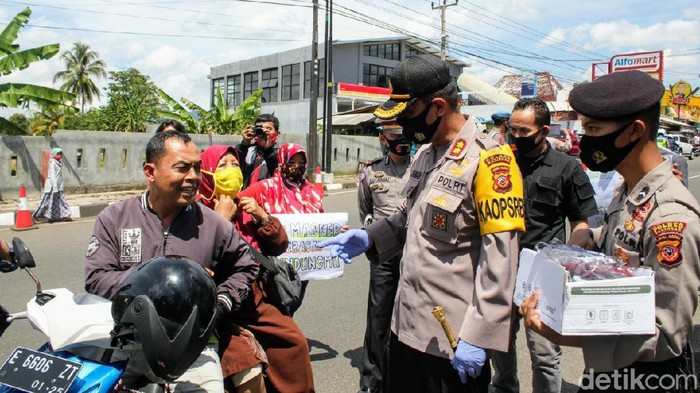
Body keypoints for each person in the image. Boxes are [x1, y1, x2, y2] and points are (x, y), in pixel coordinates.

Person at [319, 55, 525, 392]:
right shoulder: (426, 154)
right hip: (407, 328)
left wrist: (479, 334)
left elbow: (500, 261)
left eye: (407, 112)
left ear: (438, 107)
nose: (401, 122)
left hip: (452, 341)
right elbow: (409, 218)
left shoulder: (490, 161)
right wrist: (370, 237)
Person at [521, 70, 700, 393]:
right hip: (609, 372)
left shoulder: (669, 217)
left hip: (649, 378)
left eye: (593, 129)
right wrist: (585, 246)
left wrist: (564, 335)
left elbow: (666, 335)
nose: (585, 140)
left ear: (634, 131)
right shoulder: (629, 191)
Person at [84, 130, 259, 392]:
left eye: (197, 168)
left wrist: (220, 301)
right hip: (127, 344)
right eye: (182, 168)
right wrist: (157, 280)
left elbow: (246, 266)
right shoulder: (115, 218)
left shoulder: (213, 224)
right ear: (150, 172)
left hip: (193, 351)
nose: (193, 177)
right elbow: (96, 277)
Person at [490, 98, 598, 393]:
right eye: (512, 130)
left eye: (524, 132)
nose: (516, 137)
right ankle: (504, 388)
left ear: (544, 130)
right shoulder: (500, 163)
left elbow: (581, 223)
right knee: (499, 345)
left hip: (542, 276)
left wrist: (568, 258)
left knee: (545, 355)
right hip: (501, 269)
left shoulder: (567, 168)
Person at [199, 145, 315, 393]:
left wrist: (262, 216)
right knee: (243, 368)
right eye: (222, 166)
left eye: (234, 165)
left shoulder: (246, 204)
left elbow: (279, 245)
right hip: (218, 306)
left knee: (294, 343)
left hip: (254, 301)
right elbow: (204, 261)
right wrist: (221, 220)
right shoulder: (196, 212)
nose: (231, 171)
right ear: (206, 174)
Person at [356, 122, 412, 393]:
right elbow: (365, 210)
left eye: (404, 135)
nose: (401, 140)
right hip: (384, 252)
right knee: (378, 315)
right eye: (394, 136)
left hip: (415, 251)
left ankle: (403, 375)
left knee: (411, 314)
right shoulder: (371, 171)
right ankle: (371, 380)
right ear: (383, 138)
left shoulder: (423, 165)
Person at [238, 142, 323, 315]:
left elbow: (321, 222)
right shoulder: (266, 187)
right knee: (279, 302)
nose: (297, 167)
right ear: (282, 162)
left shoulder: (311, 191)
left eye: (301, 162)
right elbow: (239, 201)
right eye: (291, 162)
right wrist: (258, 214)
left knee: (295, 298)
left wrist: (337, 230)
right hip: (275, 260)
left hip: (303, 261)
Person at [237, 114, 281, 188]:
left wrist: (268, 148)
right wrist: (244, 144)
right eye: (259, 129)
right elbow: (236, 167)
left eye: (269, 129)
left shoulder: (281, 155)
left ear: (277, 134)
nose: (263, 132)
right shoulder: (248, 151)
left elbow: (275, 170)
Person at [33, 147, 72, 223]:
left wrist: (59, 187)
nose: (60, 155)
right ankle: (36, 215)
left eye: (61, 153)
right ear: (54, 154)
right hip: (52, 187)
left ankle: (64, 215)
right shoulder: (53, 163)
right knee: (45, 201)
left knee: (60, 202)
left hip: (58, 186)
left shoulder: (58, 163)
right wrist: (54, 187)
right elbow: (53, 176)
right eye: (58, 154)